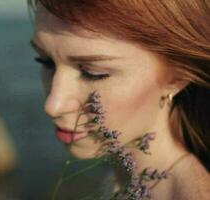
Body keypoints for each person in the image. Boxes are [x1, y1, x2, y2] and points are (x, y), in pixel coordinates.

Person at [28, 0, 210, 199]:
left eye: (93, 73)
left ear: (177, 78)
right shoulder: (120, 179)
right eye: (46, 62)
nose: (53, 106)